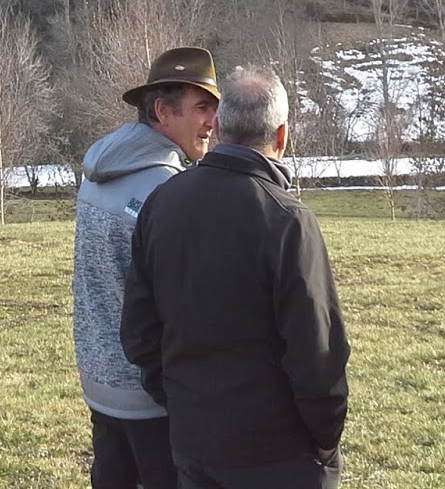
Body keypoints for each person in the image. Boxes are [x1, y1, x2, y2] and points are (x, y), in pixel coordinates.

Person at [121, 67, 349, 489]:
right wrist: (325, 437)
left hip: (194, 441)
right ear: (282, 136)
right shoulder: (287, 220)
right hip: (278, 452)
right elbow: (317, 351)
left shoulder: (161, 203)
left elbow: (139, 330)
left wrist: (179, 401)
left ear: (220, 127)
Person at [73, 46, 222, 489]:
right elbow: (182, 311)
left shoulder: (100, 171)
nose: (213, 122)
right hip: (152, 399)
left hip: (100, 386)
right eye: (202, 107)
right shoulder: (167, 191)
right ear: (162, 111)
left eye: (215, 108)